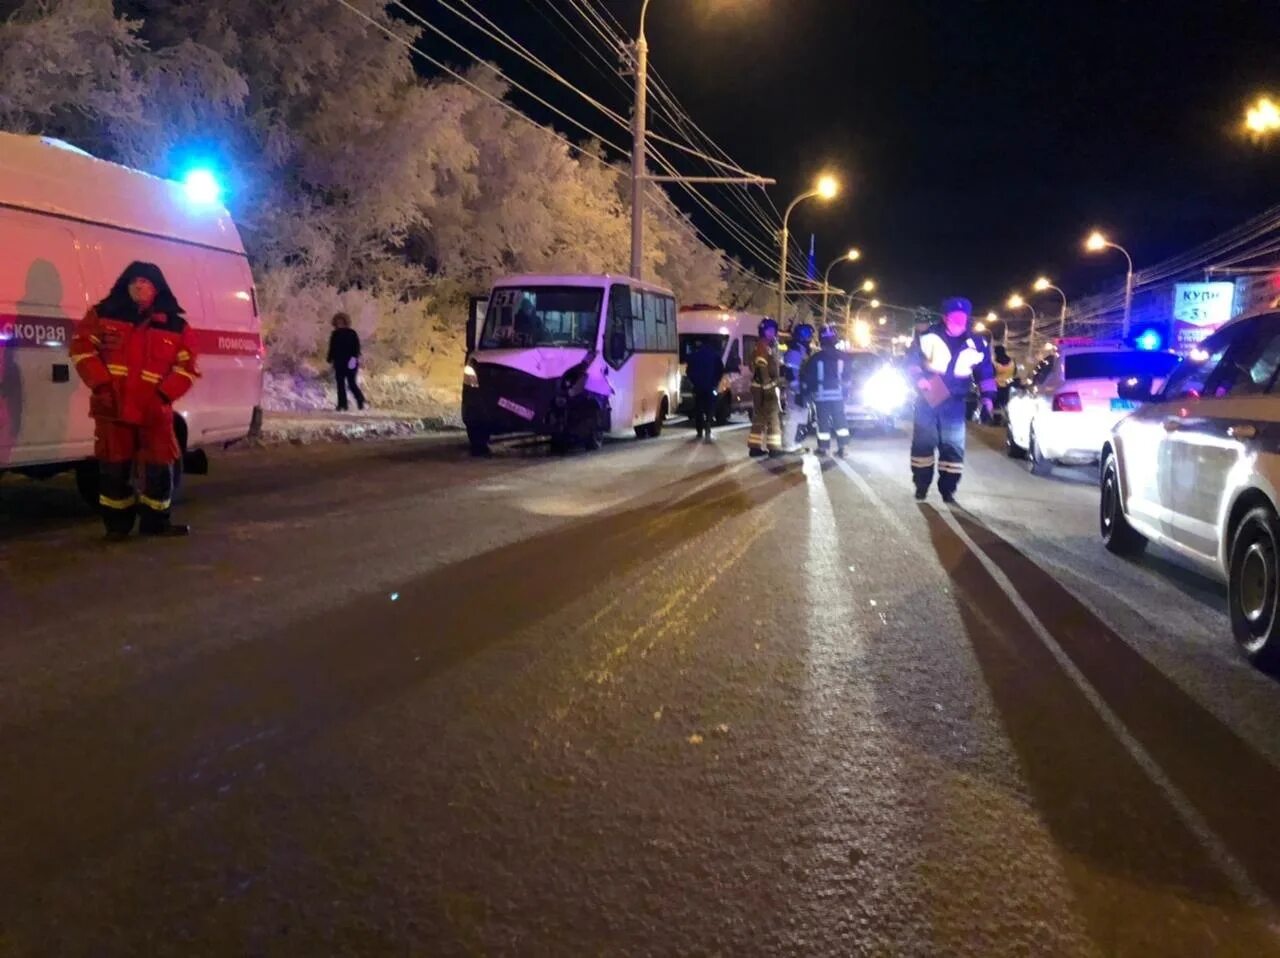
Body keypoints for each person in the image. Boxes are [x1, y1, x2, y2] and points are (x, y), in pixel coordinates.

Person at [69, 261, 199, 540]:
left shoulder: (177, 326)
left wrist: (164, 394)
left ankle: (156, 522)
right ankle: (117, 527)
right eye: (134, 281)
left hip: (154, 410)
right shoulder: (102, 315)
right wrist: (101, 384)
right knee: (113, 469)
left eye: (146, 282)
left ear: (157, 288)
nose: (139, 286)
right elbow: (81, 349)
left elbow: (186, 367)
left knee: (160, 467)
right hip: (113, 406)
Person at [906, 297, 996, 503]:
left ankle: (948, 489)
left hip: (955, 400)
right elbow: (911, 363)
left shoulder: (977, 344)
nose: (958, 320)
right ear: (945, 318)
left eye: (962, 317)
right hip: (929, 397)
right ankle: (921, 485)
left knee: (953, 447)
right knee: (923, 445)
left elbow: (985, 373)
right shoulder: (926, 337)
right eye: (954, 317)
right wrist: (919, 379)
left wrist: (988, 399)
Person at [800, 325, 853, 457]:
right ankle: (843, 448)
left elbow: (808, 377)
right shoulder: (844, 357)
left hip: (821, 397)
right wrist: (846, 393)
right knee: (840, 422)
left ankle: (823, 448)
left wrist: (807, 392)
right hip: (838, 396)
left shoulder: (815, 358)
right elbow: (848, 378)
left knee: (822, 422)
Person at [747, 317, 785, 457]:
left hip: (759, 387)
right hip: (765, 387)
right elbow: (762, 366)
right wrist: (769, 386)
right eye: (770, 330)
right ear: (764, 331)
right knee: (773, 416)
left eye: (773, 330)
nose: (772, 333)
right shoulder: (763, 346)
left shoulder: (763, 345)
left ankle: (755, 447)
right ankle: (774, 448)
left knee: (760, 417)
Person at [781, 323, 814, 451]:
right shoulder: (795, 351)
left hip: (801, 388)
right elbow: (790, 372)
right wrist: (797, 389)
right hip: (796, 390)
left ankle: (794, 441)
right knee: (793, 416)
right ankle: (789, 444)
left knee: (800, 416)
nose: (810, 338)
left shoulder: (801, 350)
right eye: (808, 335)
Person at [686, 336, 725, 441]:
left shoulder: (694, 356)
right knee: (709, 408)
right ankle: (708, 425)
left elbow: (688, 371)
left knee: (699, 408)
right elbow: (721, 370)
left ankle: (699, 430)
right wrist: (715, 382)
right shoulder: (715, 356)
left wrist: (694, 382)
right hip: (710, 387)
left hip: (698, 387)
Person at [326, 312, 365, 412]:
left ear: (345, 322)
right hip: (339, 362)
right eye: (337, 321)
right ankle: (342, 404)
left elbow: (356, 348)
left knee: (351, 383)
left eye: (341, 321)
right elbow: (332, 348)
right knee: (340, 384)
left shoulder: (351, 333)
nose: (339, 323)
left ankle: (360, 400)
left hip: (350, 361)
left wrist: (353, 359)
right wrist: (330, 358)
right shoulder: (335, 334)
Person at [992, 344, 1016, 420]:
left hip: (997, 386)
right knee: (1005, 403)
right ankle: (1006, 419)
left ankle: (997, 420)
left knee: (996, 404)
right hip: (1008, 386)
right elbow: (1015, 373)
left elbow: (992, 373)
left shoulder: (995, 363)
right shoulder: (1012, 362)